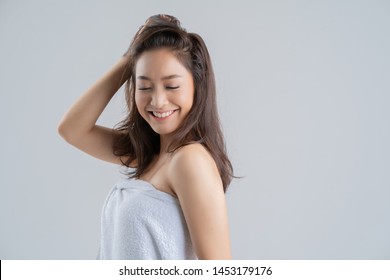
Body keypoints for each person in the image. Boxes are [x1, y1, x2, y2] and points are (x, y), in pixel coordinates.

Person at [58, 14, 233, 260]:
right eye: (145, 86)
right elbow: (72, 130)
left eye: (172, 86)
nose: (158, 101)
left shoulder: (189, 160)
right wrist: (131, 57)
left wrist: (136, 57)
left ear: (198, 86)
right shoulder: (149, 155)